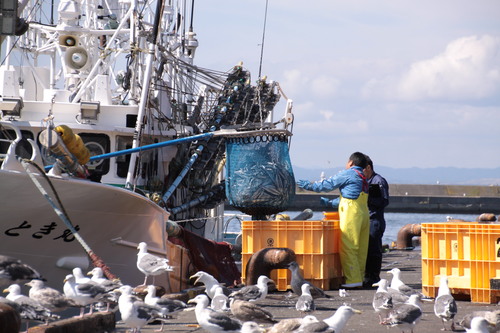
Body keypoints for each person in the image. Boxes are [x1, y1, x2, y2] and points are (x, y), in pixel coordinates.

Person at [297, 152, 369, 288]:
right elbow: (351, 197)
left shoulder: (349, 173)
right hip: (363, 212)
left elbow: (327, 185)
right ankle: (359, 277)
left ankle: (353, 280)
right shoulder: (362, 177)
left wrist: (308, 186)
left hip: (352, 212)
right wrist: (331, 204)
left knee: (348, 245)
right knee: (361, 247)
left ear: (351, 163)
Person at [363, 155, 389, 288]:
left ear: (368, 167)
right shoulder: (363, 180)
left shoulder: (378, 181)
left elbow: (384, 201)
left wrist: (368, 199)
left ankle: (374, 277)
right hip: (365, 219)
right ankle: (367, 275)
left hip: (375, 219)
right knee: (366, 249)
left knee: (374, 249)